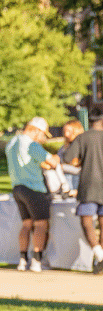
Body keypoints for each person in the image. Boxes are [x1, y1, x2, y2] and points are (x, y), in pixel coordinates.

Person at [64, 110, 103, 274]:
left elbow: (68, 157)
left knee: (86, 221)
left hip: (89, 184)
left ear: (88, 121)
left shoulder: (83, 138)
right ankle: (101, 260)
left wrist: (79, 160)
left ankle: (99, 256)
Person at [4, 117, 60, 272]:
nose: (42, 138)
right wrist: (56, 157)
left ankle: (23, 260)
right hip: (35, 189)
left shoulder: (12, 143)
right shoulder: (31, 145)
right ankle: (37, 260)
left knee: (26, 225)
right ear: (35, 130)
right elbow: (52, 162)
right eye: (42, 134)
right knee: (40, 224)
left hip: (18, 188)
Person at [57, 120, 84, 193]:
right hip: (64, 181)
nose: (66, 134)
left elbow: (81, 169)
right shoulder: (63, 148)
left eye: (69, 131)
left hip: (77, 181)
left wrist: (63, 167)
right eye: (64, 131)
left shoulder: (83, 147)